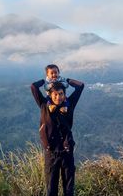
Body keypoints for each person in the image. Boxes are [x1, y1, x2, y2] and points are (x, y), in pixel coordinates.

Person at [31, 66, 84, 196]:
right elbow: (33, 87)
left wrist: (65, 80)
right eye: (55, 94)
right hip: (51, 152)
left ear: (64, 94)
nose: (58, 97)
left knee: (69, 187)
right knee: (51, 188)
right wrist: (45, 81)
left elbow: (80, 86)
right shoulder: (44, 105)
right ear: (50, 94)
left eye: (61, 94)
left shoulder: (69, 104)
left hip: (66, 150)